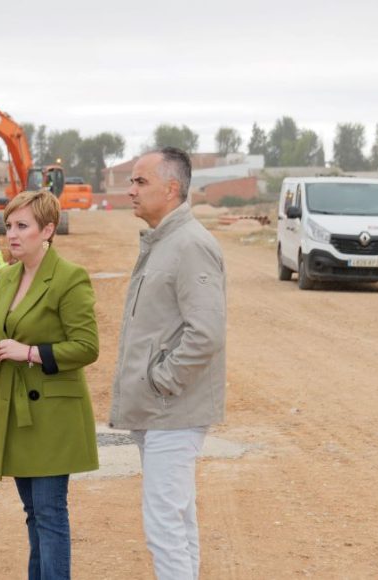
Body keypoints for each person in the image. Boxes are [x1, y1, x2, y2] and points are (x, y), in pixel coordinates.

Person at [108, 147, 226, 580]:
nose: (130, 190)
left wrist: (162, 380)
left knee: (164, 526)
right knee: (178, 521)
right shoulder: (165, 241)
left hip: (172, 412)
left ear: (171, 188)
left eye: (140, 182)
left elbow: (206, 333)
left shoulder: (190, 245)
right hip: (161, 411)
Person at [0, 189, 99, 579]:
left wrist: (29, 352)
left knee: (49, 514)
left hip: (52, 414)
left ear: (47, 230)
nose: (11, 234)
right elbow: (6, 335)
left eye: (22, 226)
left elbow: (86, 347)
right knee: (33, 515)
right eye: (8, 226)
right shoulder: (7, 276)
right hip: (16, 412)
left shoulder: (69, 278)